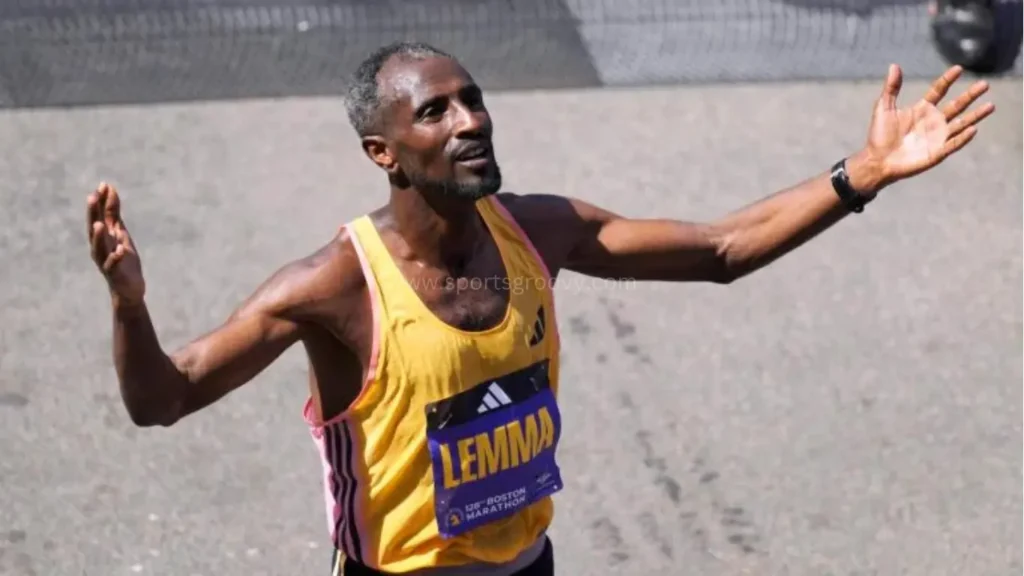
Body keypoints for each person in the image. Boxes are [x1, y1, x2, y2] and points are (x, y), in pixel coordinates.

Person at [85, 41, 994, 576]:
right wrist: (131, 308)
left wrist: (862, 174)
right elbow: (163, 397)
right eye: (434, 113)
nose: (471, 120)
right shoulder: (335, 287)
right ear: (383, 152)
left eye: (472, 100)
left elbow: (720, 251)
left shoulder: (538, 233)